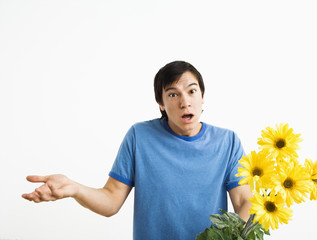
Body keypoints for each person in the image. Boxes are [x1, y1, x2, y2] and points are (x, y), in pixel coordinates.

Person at [22, 61, 253, 240]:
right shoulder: (139, 136)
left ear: (202, 97)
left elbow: (244, 202)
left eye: (192, 91)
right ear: (161, 103)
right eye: (173, 94)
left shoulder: (228, 141)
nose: (185, 102)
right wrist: (74, 189)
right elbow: (111, 200)